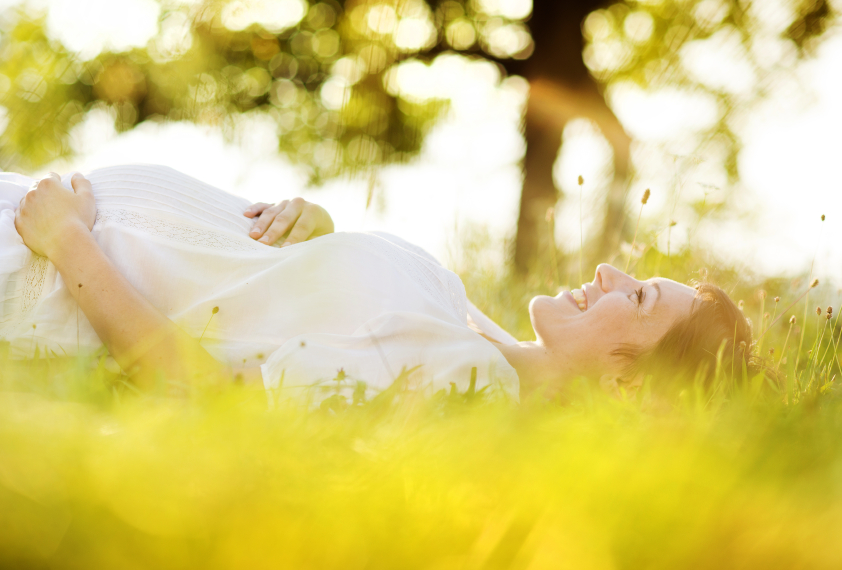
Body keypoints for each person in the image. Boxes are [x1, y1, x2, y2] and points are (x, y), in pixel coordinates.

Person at [1, 165, 754, 403]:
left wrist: (69, 243)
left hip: (32, 271)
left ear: (626, 385)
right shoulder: (474, 338)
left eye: (639, 297)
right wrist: (316, 234)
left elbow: (201, 390)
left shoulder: (462, 383)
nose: (610, 272)